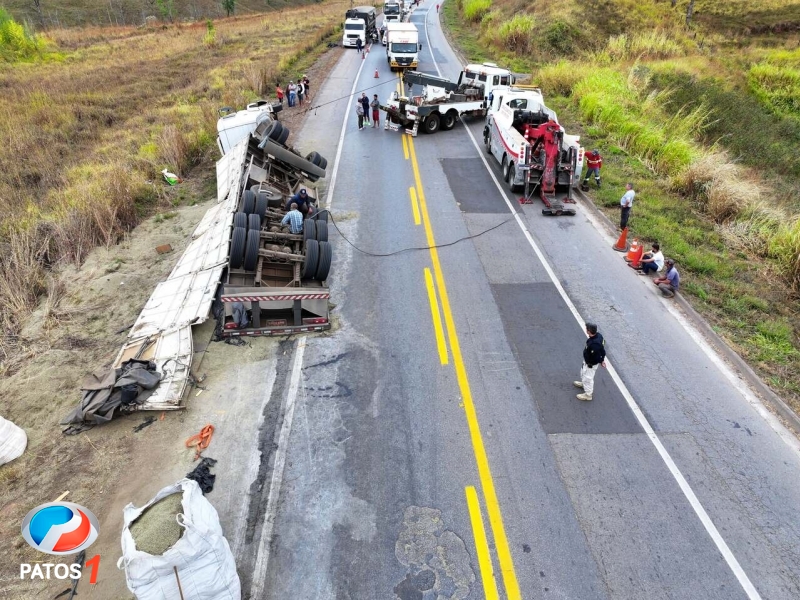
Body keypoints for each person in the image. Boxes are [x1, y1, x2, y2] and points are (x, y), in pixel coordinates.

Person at [573, 322, 606, 402]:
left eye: (587, 328)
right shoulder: (599, 336)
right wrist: (602, 360)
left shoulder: (595, 344)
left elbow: (597, 354)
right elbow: (603, 349)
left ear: (588, 331)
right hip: (587, 363)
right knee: (583, 374)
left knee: (588, 379)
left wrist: (599, 360)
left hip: (590, 365)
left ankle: (588, 395)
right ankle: (584, 384)